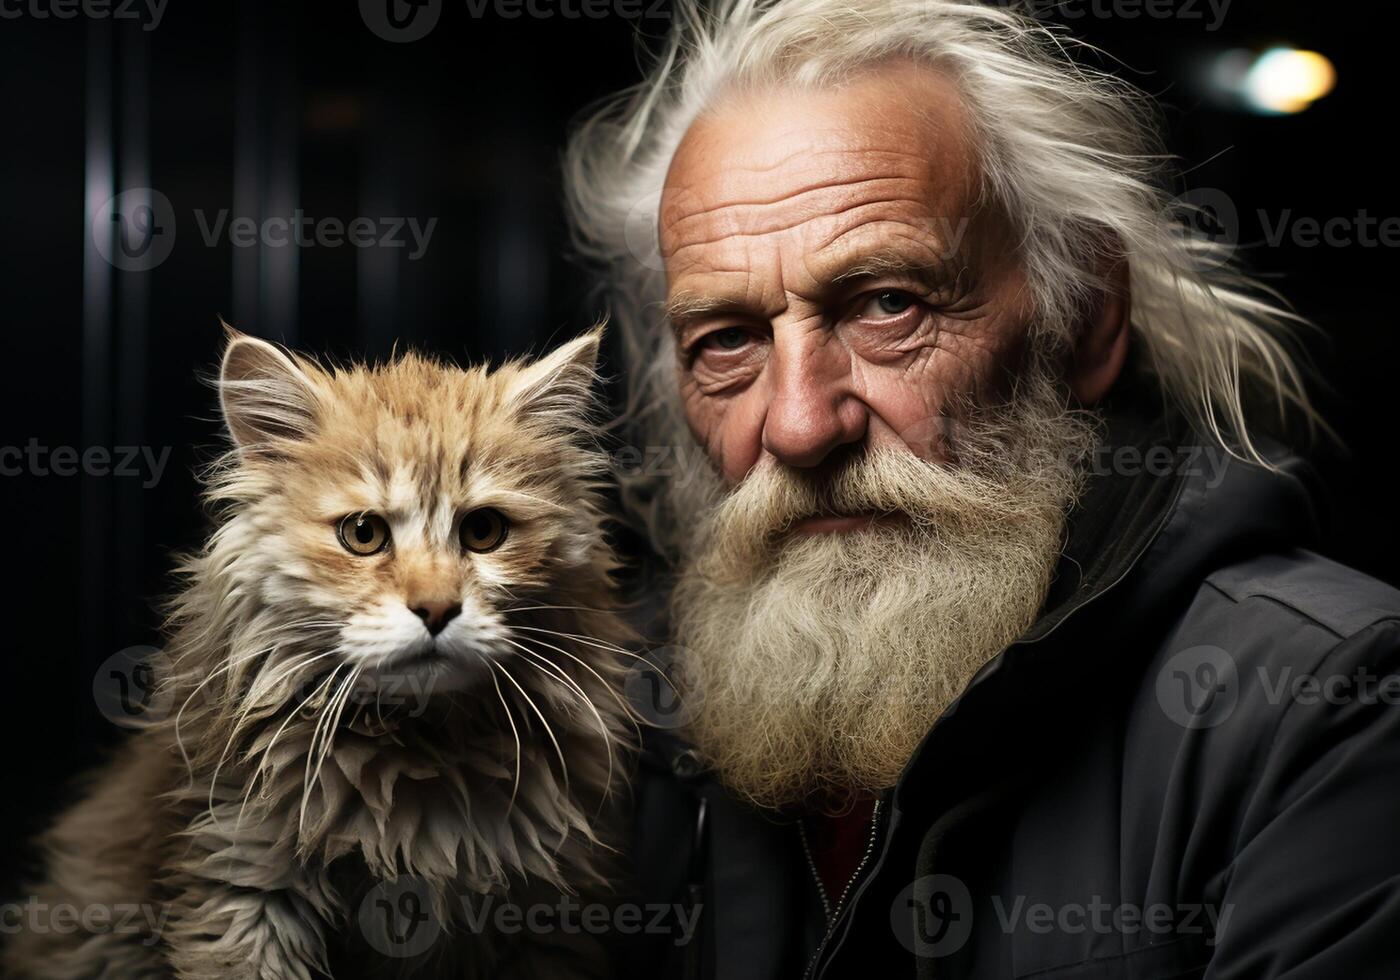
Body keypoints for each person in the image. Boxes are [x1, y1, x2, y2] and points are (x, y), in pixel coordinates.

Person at [563, 0, 1400, 976]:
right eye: (728, 342)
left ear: (1083, 318)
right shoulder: (597, 733)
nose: (797, 424)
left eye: (886, 304)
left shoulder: (1325, 709)